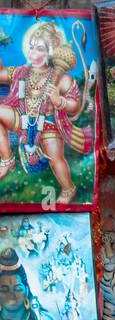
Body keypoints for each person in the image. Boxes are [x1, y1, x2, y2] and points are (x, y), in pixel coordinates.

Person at [0, 20, 92, 204]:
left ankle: (68, 190)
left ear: (51, 51)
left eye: (40, 49)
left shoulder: (61, 78)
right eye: (32, 47)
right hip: (23, 120)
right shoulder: (21, 72)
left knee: (55, 159)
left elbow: (75, 105)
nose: (33, 53)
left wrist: (60, 101)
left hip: (49, 124)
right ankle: (7, 159)